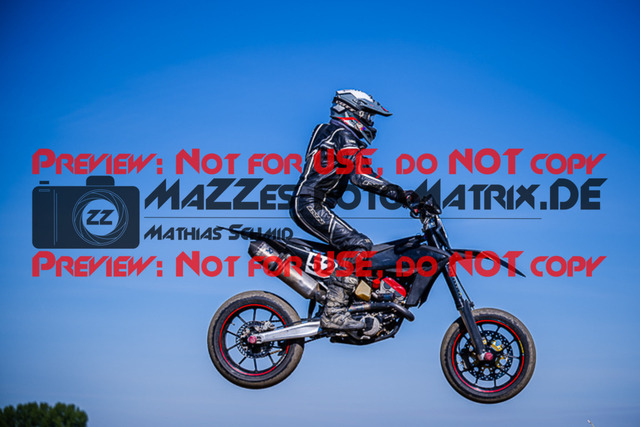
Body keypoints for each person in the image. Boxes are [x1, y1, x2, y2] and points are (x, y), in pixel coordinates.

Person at [289, 89, 416, 331]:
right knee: (360, 245)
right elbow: (361, 177)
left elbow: (361, 172)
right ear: (353, 111)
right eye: (368, 116)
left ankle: (349, 298)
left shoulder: (331, 132)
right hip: (310, 204)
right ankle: (334, 312)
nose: (371, 122)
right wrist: (403, 195)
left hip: (310, 203)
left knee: (354, 249)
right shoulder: (342, 135)